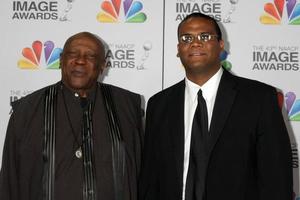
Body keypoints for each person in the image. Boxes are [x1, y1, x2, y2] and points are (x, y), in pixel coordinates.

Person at [138, 12, 293, 200]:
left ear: (221, 45)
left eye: (205, 36)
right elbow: (150, 179)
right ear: (178, 48)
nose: (195, 42)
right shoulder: (159, 105)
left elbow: (276, 179)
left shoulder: (259, 98)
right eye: (186, 38)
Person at [0, 32, 143, 200]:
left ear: (103, 65)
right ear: (61, 59)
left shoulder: (126, 106)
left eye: (90, 56)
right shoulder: (27, 109)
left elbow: (141, 174)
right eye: (73, 54)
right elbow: (9, 182)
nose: (80, 60)